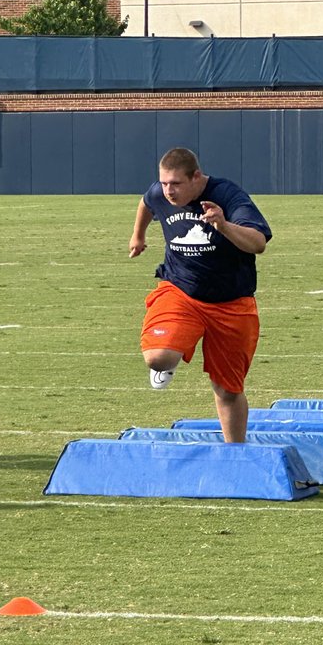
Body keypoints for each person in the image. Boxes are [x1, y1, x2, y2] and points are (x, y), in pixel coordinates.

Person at [129, 146, 271, 442]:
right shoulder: (161, 192)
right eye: (164, 183)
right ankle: (170, 358)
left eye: (176, 184)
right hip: (180, 289)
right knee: (158, 357)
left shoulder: (228, 196)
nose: (168, 191)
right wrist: (138, 235)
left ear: (196, 177)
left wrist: (223, 225)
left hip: (232, 301)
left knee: (228, 389)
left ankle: (235, 454)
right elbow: (147, 202)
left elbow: (258, 243)